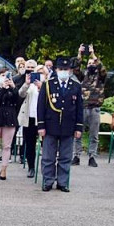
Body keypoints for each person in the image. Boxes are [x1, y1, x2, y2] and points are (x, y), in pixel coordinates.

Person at [37, 56, 83, 192]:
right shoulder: (48, 84)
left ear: (70, 71)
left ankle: (62, 182)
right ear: (56, 69)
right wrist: (41, 126)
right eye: (61, 69)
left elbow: (79, 108)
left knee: (65, 157)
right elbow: (41, 107)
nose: (63, 71)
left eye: (66, 69)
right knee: (48, 157)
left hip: (68, 126)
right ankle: (48, 181)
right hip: (51, 126)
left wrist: (79, 127)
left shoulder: (76, 86)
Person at [75, 45, 105, 167]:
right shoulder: (84, 76)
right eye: (89, 63)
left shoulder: (101, 77)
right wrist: (79, 54)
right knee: (77, 133)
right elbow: (76, 69)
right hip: (82, 108)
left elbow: (102, 68)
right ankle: (76, 155)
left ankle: (92, 156)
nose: (91, 64)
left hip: (95, 108)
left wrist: (93, 54)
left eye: (93, 63)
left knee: (94, 134)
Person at [18, 65, 44, 179]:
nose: (40, 75)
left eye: (42, 73)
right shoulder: (31, 86)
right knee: (30, 144)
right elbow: (21, 94)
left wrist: (42, 87)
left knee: (46, 144)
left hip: (43, 119)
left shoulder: (48, 84)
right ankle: (31, 167)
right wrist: (27, 83)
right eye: (38, 72)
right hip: (31, 118)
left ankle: (46, 167)